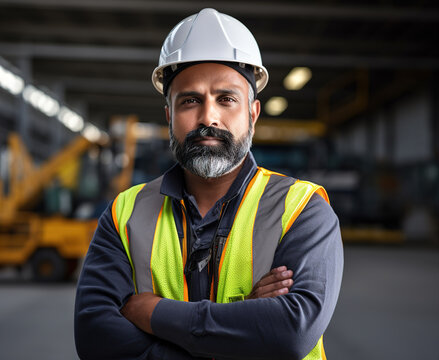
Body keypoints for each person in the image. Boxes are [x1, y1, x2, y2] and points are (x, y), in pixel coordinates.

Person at [75, 8, 343, 360]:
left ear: (253, 113)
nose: (208, 117)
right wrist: (240, 329)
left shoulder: (302, 209)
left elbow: (291, 333)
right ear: (169, 114)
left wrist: (152, 312)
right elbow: (95, 338)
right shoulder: (126, 213)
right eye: (190, 100)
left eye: (226, 99)